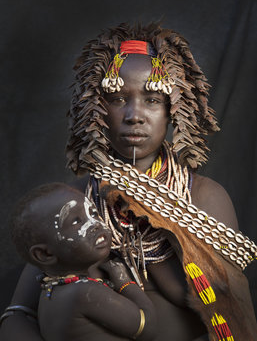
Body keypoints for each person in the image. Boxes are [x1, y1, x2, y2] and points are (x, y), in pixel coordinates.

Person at [1, 22, 257, 340]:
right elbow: (18, 314)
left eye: (152, 100)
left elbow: (226, 312)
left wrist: (156, 219)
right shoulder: (76, 201)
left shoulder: (202, 198)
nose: (134, 115)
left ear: (173, 111)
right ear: (96, 108)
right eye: (118, 98)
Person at [8, 182, 156, 341]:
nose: (95, 224)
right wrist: (124, 280)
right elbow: (148, 328)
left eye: (92, 213)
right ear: (45, 254)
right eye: (75, 222)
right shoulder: (84, 292)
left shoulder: (51, 291)